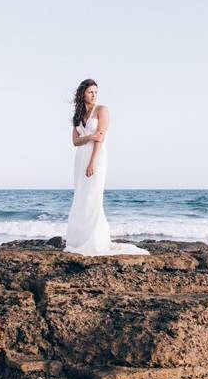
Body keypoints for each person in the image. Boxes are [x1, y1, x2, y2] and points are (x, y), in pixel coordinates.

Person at [64, 79, 150, 256]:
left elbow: (101, 138)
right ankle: (79, 239)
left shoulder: (102, 110)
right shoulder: (78, 115)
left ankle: (95, 239)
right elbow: (75, 141)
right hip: (80, 158)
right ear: (82, 94)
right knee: (81, 196)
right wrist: (90, 137)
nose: (94, 95)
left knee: (93, 196)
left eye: (96, 92)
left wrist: (93, 161)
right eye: (90, 92)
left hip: (96, 157)